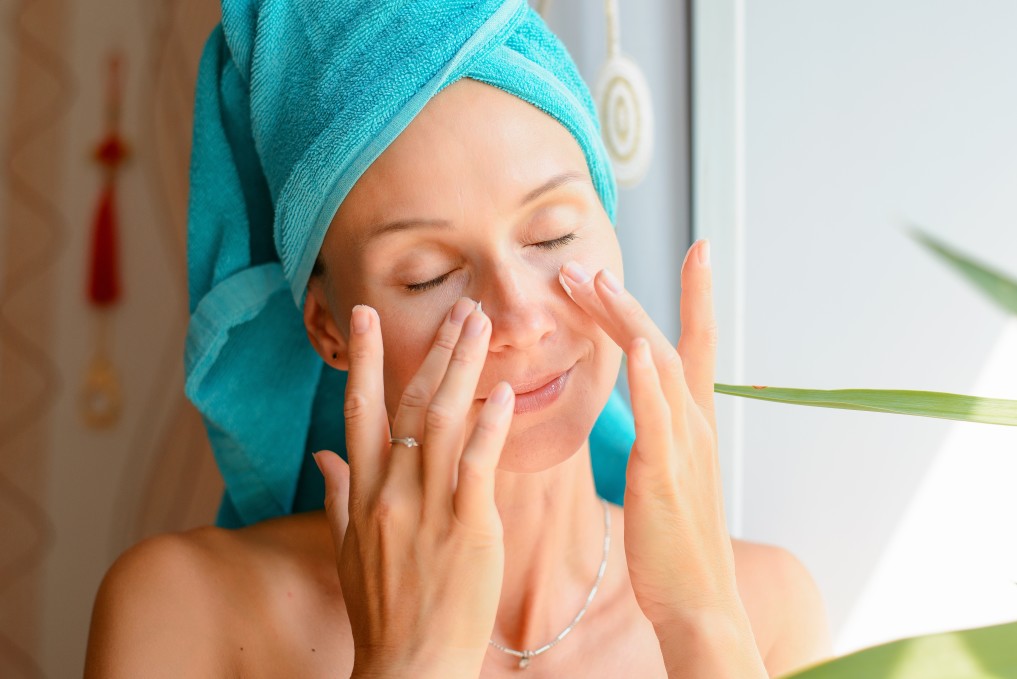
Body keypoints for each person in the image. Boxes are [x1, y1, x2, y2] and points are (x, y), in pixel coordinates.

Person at [85, 2, 832, 677]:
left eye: (555, 233)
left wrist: (702, 624)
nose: (519, 318)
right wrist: (408, 662)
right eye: (428, 275)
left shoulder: (764, 611)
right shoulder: (185, 612)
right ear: (328, 327)